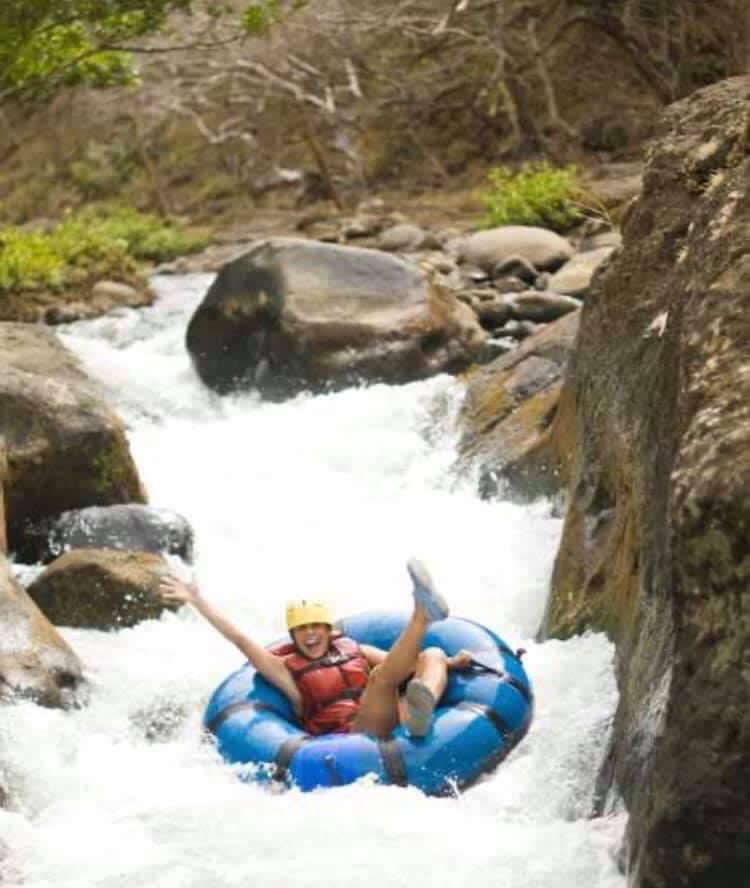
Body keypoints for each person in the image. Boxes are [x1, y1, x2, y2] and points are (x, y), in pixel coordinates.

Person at [158, 558, 471, 738]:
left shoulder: (352, 647)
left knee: (431, 655)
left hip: (396, 714)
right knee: (380, 680)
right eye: (301, 630)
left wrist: (450, 663)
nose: (309, 635)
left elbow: (402, 665)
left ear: (328, 630)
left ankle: (423, 705)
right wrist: (198, 601)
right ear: (293, 637)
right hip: (355, 734)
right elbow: (241, 640)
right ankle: (421, 614)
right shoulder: (285, 670)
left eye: (315, 627)